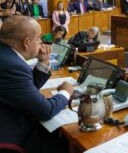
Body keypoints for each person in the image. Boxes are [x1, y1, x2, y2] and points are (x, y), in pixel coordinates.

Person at [0, 16, 73, 152]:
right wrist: (66, 92)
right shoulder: (13, 66)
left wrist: (43, 61)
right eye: (39, 38)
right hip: (9, 136)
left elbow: (24, 89)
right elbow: (45, 111)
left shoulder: (5, 54)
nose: (41, 42)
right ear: (26, 42)